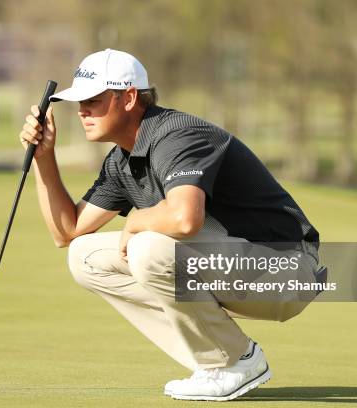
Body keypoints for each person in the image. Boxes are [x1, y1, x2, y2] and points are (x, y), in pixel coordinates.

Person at [19, 49, 321, 401]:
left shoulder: (179, 135)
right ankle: (218, 361)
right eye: (79, 101)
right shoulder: (122, 159)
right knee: (84, 257)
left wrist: (136, 221)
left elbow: (185, 218)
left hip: (286, 270)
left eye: (94, 99)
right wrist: (44, 158)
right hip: (238, 264)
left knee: (148, 246)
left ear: (129, 97)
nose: (83, 110)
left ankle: (235, 360)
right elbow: (67, 232)